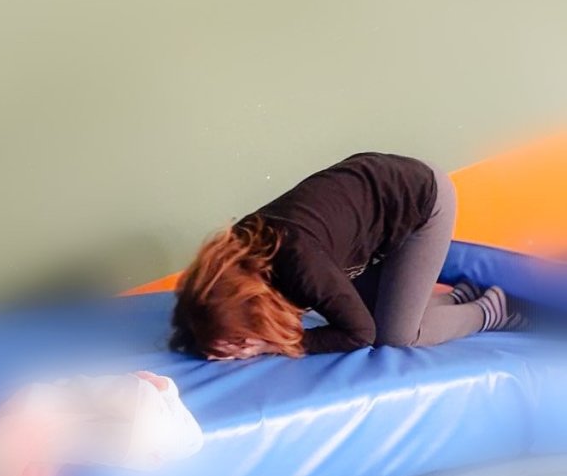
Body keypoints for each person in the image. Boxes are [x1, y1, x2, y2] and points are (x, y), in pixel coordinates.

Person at [170, 152, 522, 360]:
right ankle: (460, 296)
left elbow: (360, 333)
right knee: (381, 308)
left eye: (237, 342)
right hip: (367, 205)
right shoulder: (232, 261)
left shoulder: (299, 264)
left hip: (422, 202)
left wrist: (273, 345)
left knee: (395, 336)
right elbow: (198, 313)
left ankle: (493, 310)